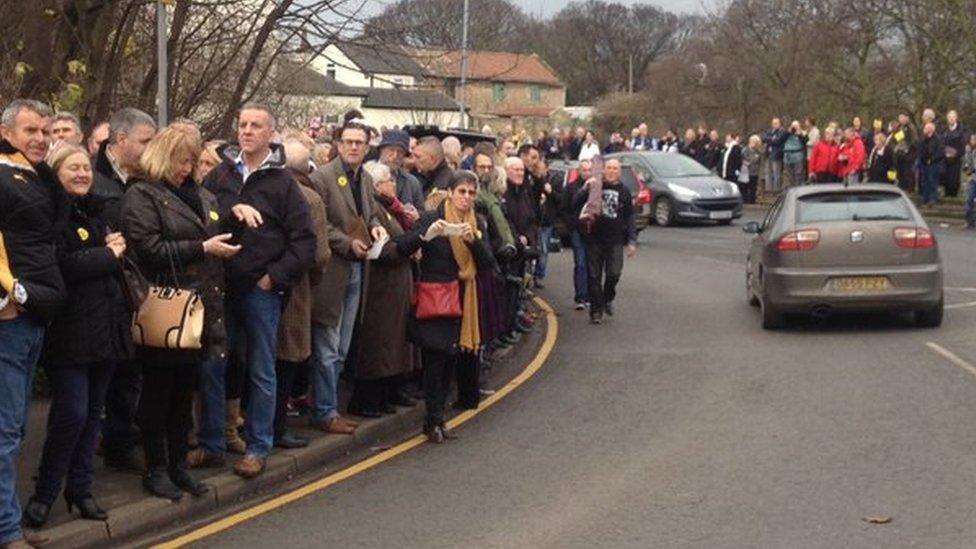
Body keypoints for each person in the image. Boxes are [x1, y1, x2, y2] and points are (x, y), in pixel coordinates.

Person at [120, 127, 238, 501]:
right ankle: (156, 468)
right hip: (164, 307)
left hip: (199, 308)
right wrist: (201, 247)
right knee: (158, 394)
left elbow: (216, 231)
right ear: (164, 156)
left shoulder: (202, 195)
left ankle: (178, 467)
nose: (188, 168)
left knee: (183, 393)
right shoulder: (141, 194)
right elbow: (147, 249)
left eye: (192, 161)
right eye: (183, 160)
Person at [203, 104, 316, 478]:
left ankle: (258, 447)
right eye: (242, 125)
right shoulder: (221, 175)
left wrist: (273, 278)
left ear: (271, 134)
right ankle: (212, 444)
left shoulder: (284, 184)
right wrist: (231, 205)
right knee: (216, 364)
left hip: (260, 290)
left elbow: (304, 243)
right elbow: (202, 213)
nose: (247, 131)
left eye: (256, 126)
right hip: (222, 285)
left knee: (262, 369)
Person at [24, 145, 132, 528]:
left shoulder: (99, 214)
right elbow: (62, 266)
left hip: (106, 329)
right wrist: (107, 255)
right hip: (69, 332)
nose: (82, 174)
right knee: (71, 414)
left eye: (85, 168)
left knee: (93, 416)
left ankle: (81, 489)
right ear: (55, 173)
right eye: (73, 168)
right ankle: (45, 492)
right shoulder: (51, 216)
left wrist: (110, 253)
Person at [0, 99, 67, 549]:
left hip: (35, 315)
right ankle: (7, 531)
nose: (41, 138)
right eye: (30, 131)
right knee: (5, 430)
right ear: (7, 132)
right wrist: (11, 296)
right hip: (12, 317)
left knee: (16, 428)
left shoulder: (35, 177)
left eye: (45, 131)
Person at [397, 171, 496, 443]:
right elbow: (401, 247)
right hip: (437, 300)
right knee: (434, 363)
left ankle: (439, 420)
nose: (466, 198)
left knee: (449, 363)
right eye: (461, 191)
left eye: (471, 193)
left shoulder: (478, 223)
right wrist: (426, 236)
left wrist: (473, 242)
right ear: (450, 192)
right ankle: (432, 421)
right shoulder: (432, 218)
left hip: (464, 299)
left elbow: (488, 263)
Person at [308, 121, 388, 435]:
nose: (354, 147)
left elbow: (368, 214)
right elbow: (320, 224)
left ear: (367, 148)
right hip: (332, 270)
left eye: (360, 143)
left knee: (342, 346)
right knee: (326, 346)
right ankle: (324, 411)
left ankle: (328, 407)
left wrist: (376, 227)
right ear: (339, 144)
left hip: (358, 268)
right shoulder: (322, 178)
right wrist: (345, 241)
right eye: (348, 142)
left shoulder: (366, 179)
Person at [269, 138, 330, 450]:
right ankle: (278, 428)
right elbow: (319, 254)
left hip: (263, 283)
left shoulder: (263, 189)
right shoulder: (310, 199)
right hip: (296, 287)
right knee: (287, 359)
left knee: (265, 361)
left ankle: (263, 427)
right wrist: (311, 280)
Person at [348, 161, 417, 416]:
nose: (394, 184)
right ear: (376, 185)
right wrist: (408, 245)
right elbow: (383, 245)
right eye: (389, 180)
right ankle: (368, 400)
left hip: (395, 283)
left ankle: (386, 394)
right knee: (379, 345)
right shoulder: (374, 208)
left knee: (392, 343)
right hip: (381, 285)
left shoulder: (388, 208)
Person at [573, 158, 637, 325]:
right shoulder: (594, 186)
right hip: (594, 239)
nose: (611, 171)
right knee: (593, 277)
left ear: (619, 171)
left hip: (615, 240)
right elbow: (574, 203)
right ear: (603, 169)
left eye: (615, 168)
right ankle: (596, 311)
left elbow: (630, 216)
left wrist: (632, 240)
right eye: (608, 167)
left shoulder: (624, 191)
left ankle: (607, 298)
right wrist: (584, 188)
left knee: (613, 274)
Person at [564, 159, 592, 308]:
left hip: (593, 231)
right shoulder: (571, 188)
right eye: (584, 170)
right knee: (580, 263)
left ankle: (590, 295)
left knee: (591, 263)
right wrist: (584, 190)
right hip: (577, 230)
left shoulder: (598, 187)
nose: (587, 173)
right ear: (579, 171)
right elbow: (569, 205)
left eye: (589, 170)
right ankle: (580, 297)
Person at [377, 130, 424, 211]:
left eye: (400, 152)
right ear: (381, 150)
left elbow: (420, 217)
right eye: (391, 150)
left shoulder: (412, 182)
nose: (395, 156)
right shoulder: (366, 176)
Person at [940, 110, 967, 197]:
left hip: (955, 159)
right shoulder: (944, 130)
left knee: (954, 179)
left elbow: (963, 146)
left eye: (953, 117)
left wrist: (955, 153)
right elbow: (941, 143)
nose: (951, 119)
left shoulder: (961, 130)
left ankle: (953, 195)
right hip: (945, 159)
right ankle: (946, 194)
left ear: (956, 118)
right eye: (949, 117)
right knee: (945, 178)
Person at [918, 122, 945, 206]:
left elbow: (940, 152)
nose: (924, 130)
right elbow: (920, 149)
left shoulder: (937, 139)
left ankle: (932, 198)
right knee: (924, 181)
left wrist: (932, 159)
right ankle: (925, 198)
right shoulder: (923, 139)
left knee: (932, 181)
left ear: (931, 129)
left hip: (934, 164)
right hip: (924, 163)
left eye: (926, 128)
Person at [762, 118, 789, 192]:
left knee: (776, 174)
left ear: (780, 124)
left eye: (776, 123)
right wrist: (772, 139)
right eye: (773, 123)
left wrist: (769, 140)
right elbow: (763, 138)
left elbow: (778, 141)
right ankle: (768, 190)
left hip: (776, 155)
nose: (774, 125)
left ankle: (776, 191)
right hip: (768, 154)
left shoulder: (783, 132)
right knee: (768, 173)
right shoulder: (770, 131)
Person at [782, 120, 808, 188]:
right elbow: (781, 139)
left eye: (796, 126)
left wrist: (799, 134)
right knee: (789, 175)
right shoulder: (787, 133)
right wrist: (788, 132)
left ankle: (798, 188)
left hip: (798, 156)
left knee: (798, 174)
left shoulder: (802, 133)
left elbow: (806, 141)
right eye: (793, 126)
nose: (794, 128)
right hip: (787, 156)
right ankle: (790, 189)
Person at [739, 135, 761, 204]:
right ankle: (744, 201)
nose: (754, 143)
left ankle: (752, 201)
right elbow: (745, 159)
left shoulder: (758, 152)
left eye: (756, 142)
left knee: (753, 188)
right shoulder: (745, 150)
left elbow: (758, 160)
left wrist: (752, 160)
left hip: (754, 172)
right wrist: (750, 161)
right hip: (746, 172)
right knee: (744, 188)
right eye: (753, 141)